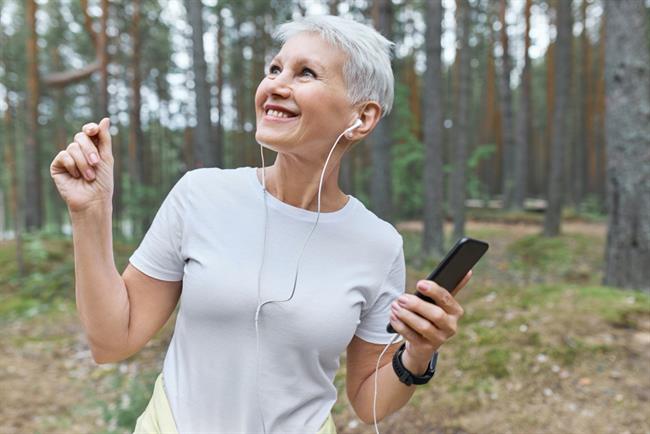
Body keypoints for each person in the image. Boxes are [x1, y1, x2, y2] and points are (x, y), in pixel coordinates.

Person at [49, 14, 470, 434]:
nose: (276, 85)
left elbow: (368, 403)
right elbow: (111, 341)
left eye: (306, 73)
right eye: (274, 69)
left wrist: (417, 354)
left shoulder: (378, 245)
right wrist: (90, 213)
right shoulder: (200, 195)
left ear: (361, 118)